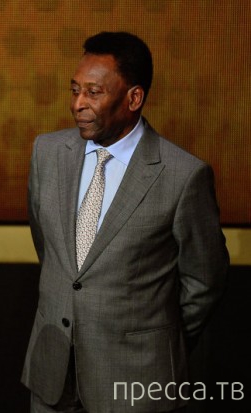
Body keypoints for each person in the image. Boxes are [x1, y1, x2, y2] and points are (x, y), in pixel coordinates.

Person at [22, 32, 229, 412]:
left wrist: (157, 340)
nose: (78, 104)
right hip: (52, 376)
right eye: (75, 90)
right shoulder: (47, 153)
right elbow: (50, 251)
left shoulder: (183, 175)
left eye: (93, 93)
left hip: (137, 381)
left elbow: (204, 280)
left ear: (134, 98)